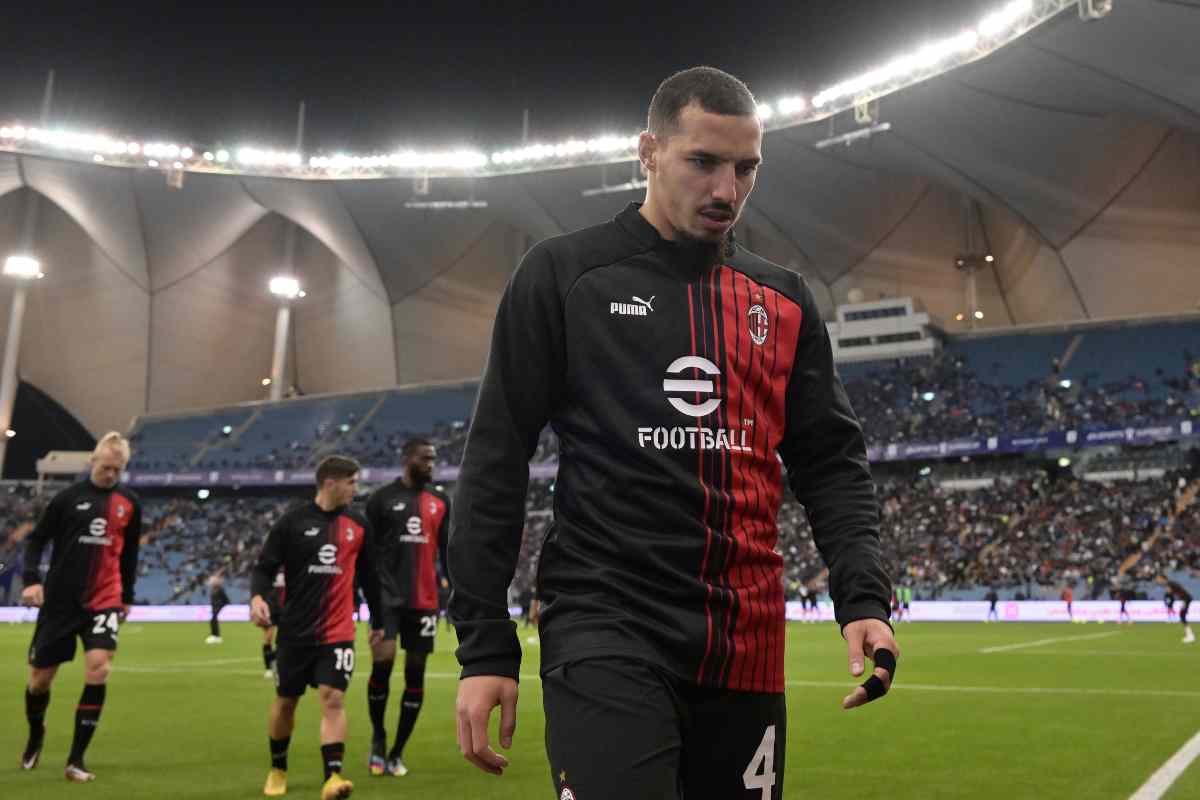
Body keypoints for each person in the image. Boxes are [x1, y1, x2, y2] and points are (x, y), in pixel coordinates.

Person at [449, 66, 898, 799]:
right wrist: (484, 647)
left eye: (745, 168)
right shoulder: (564, 277)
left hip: (744, 638)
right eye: (703, 162)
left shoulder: (782, 301)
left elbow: (832, 463)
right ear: (648, 152)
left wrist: (863, 599)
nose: (727, 190)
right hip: (606, 624)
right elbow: (496, 460)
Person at [249, 455, 382, 799]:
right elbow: (264, 568)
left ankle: (333, 777)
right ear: (330, 483)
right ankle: (278, 768)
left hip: (338, 633)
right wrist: (257, 598)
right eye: (351, 482)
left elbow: (370, 578)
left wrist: (379, 620)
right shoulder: (293, 522)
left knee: (333, 698)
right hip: (295, 631)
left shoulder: (359, 525)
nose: (356, 488)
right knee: (285, 702)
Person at [19, 432, 142, 782]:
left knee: (99, 668)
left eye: (118, 470)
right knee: (40, 680)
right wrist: (31, 579)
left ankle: (76, 760)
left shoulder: (130, 503)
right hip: (60, 601)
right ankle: (35, 733)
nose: (111, 475)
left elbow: (130, 553)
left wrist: (127, 596)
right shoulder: (66, 499)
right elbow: (37, 540)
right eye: (106, 468)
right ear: (93, 461)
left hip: (105, 599)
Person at [362, 437, 450, 778]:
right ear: (407, 459)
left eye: (434, 458)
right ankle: (379, 739)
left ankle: (398, 751)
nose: (431, 464)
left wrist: (453, 594)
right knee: (381, 667)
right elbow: (366, 555)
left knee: (415, 674)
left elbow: (446, 553)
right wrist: (366, 598)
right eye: (425, 458)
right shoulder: (381, 500)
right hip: (386, 599)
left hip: (424, 603)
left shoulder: (441, 502)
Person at [262, 569, 285, 679]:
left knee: (285, 639)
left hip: (284, 609)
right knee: (268, 638)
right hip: (270, 609)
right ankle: (268, 668)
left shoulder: (290, 568)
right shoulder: (268, 571)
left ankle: (277, 663)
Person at [1157, 577, 1193, 643]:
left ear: (1163, 578)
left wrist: (1183, 601)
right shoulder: (1171, 583)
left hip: (1186, 598)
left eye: (1159, 579)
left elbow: (1170, 593)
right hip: (1186, 598)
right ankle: (1189, 634)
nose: (1158, 581)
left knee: (1182, 616)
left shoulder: (1169, 584)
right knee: (1182, 615)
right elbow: (1175, 592)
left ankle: (1190, 636)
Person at [207, 573, 230, 644]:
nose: (211, 582)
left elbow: (226, 600)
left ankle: (216, 636)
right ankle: (215, 636)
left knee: (213, 621)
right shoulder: (213, 590)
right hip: (214, 608)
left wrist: (220, 606)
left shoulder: (220, 590)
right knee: (212, 621)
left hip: (217, 608)